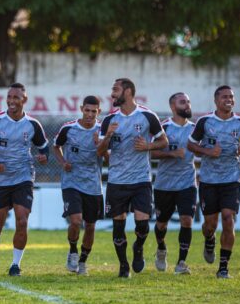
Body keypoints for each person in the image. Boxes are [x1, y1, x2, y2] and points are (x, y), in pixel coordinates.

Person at [97, 78, 168, 278]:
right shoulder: (109, 120)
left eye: (115, 90)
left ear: (127, 92)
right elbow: (100, 152)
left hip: (141, 181)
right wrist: (108, 136)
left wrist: (148, 146)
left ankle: (138, 247)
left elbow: (164, 141)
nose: (112, 94)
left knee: (143, 226)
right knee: (118, 226)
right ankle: (123, 265)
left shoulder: (147, 116)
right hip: (117, 182)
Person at [0, 82, 49, 276]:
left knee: (22, 220)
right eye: (9, 97)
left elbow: (44, 147)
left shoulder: (33, 125)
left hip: (23, 176)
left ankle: (15, 265)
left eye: (16, 97)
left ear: (24, 100)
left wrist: (44, 156)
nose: (11, 101)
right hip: (0, 179)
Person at [187, 85, 240, 279]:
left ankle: (223, 268)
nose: (229, 100)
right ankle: (209, 239)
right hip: (209, 180)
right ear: (216, 100)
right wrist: (208, 152)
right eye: (225, 97)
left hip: (232, 179)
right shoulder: (205, 122)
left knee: (227, 218)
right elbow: (190, 144)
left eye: (231, 97)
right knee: (210, 224)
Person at [53, 95, 105, 275]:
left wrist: (102, 144)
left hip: (93, 185)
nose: (90, 114)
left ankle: (83, 261)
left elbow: (110, 158)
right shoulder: (68, 129)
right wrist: (62, 162)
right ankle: (73, 250)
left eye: (94, 111)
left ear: (99, 111)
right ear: (82, 109)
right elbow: (55, 147)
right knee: (75, 221)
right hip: (71, 182)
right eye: (87, 110)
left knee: (90, 226)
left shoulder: (102, 130)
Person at [151, 92, 197, 275]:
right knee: (161, 224)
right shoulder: (163, 128)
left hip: (187, 183)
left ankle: (181, 263)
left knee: (187, 220)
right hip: (164, 185)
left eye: (188, 101)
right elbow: (151, 153)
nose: (187, 105)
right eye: (182, 102)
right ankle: (161, 249)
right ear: (173, 107)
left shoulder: (196, 128)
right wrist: (171, 153)